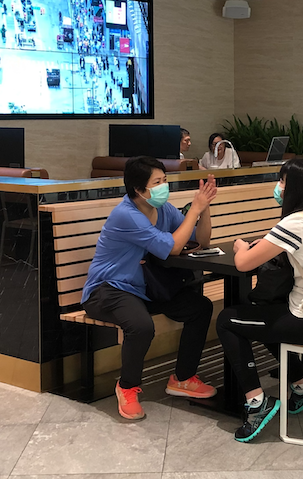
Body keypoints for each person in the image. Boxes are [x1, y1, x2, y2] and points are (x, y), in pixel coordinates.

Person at [215, 158, 303, 443]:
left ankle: (256, 401)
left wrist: (240, 247)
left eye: (282, 182)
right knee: (264, 315)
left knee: (227, 320)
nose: (278, 187)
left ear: (296, 188)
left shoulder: (297, 221)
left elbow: (243, 263)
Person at [81, 156, 219, 421]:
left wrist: (204, 208)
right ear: (139, 190)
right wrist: (194, 210)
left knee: (199, 307)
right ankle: (127, 387)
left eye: (164, 180)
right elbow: (173, 247)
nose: (163, 187)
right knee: (142, 326)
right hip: (108, 289)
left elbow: (199, 240)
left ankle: (183, 378)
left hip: (143, 289)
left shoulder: (164, 209)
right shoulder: (127, 214)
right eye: (157, 182)